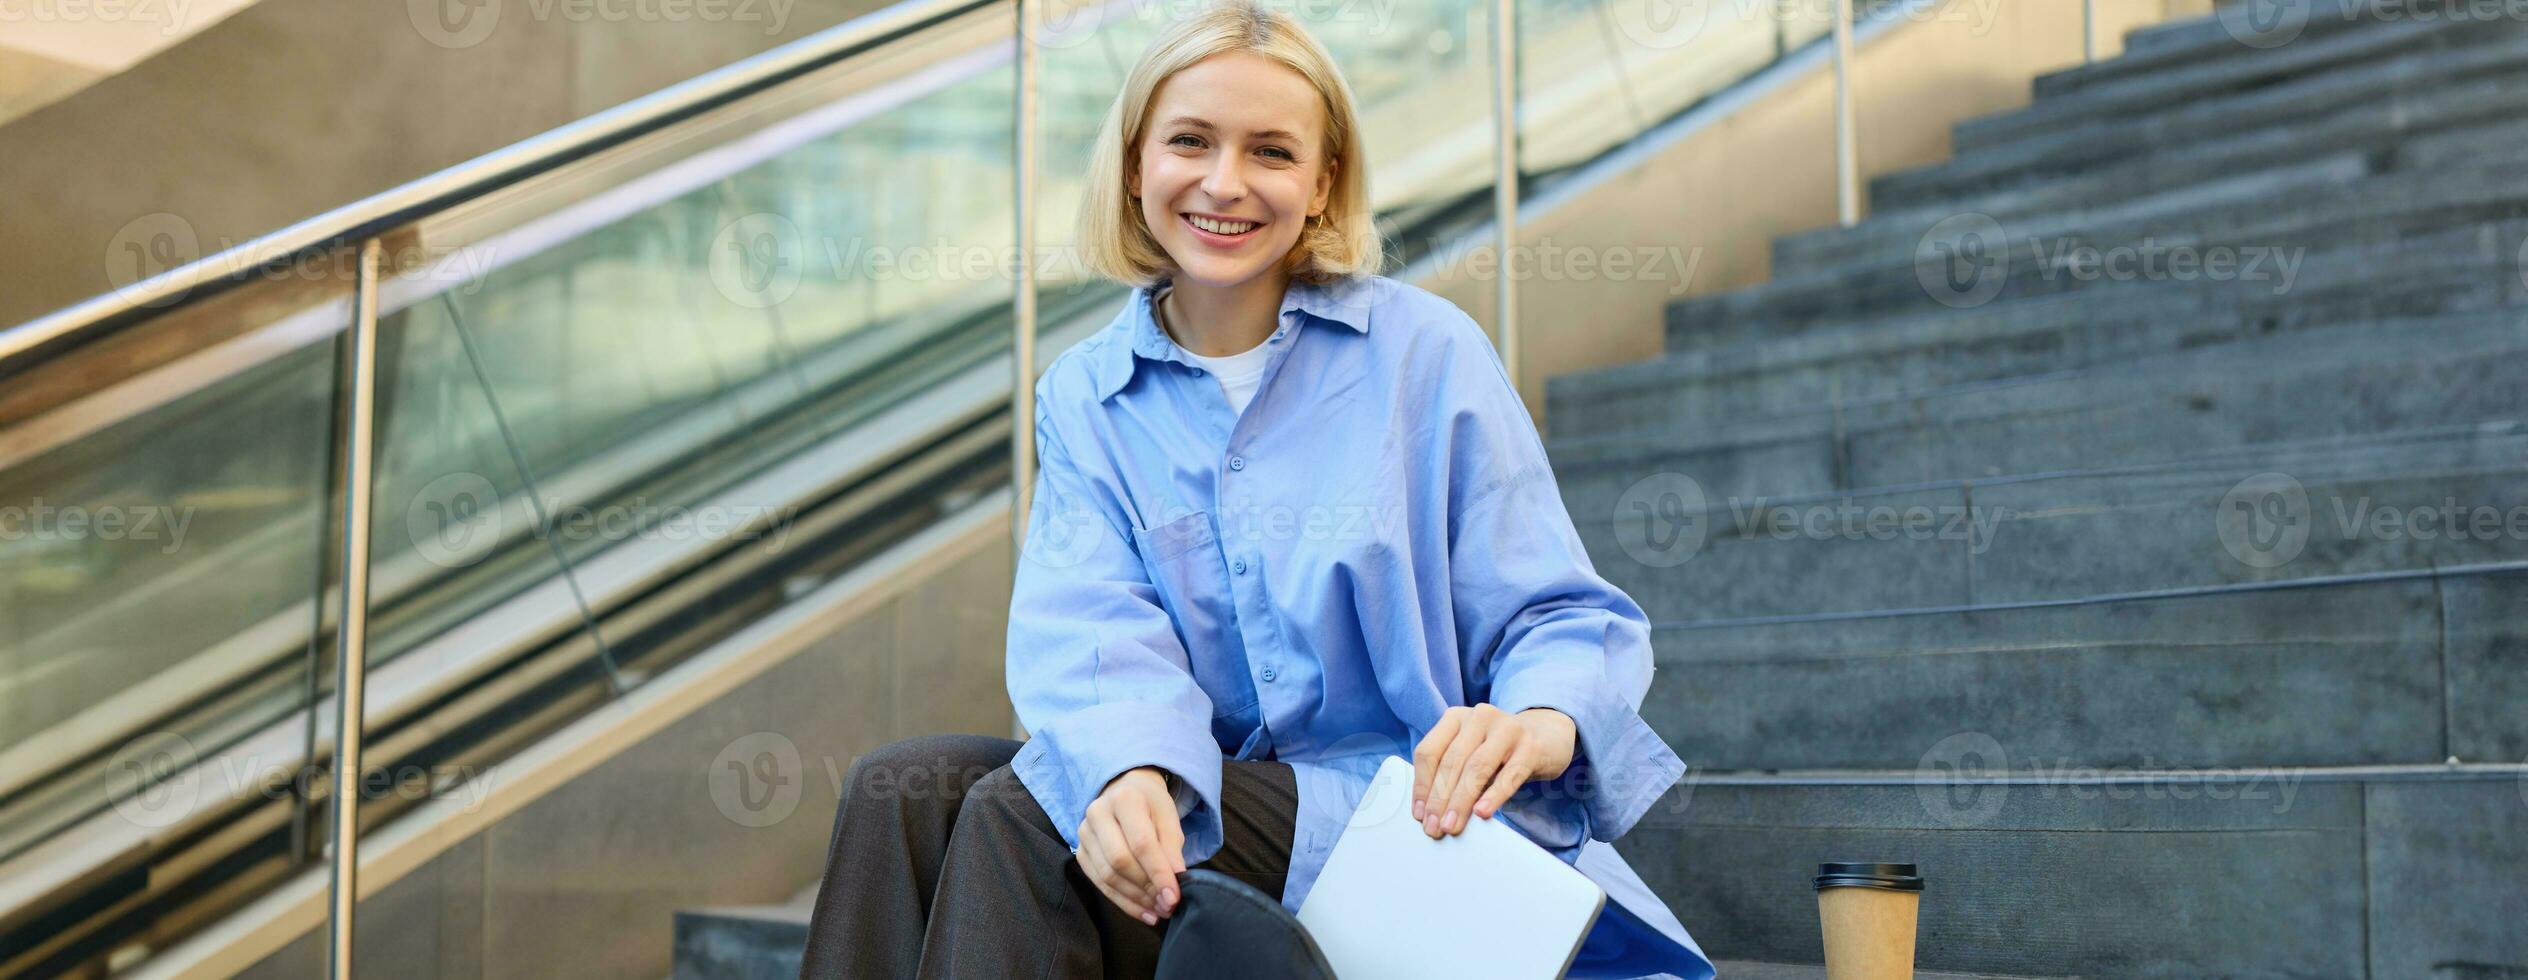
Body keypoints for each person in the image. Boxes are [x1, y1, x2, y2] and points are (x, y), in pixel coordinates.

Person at [797, 3, 1713, 977]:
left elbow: (1558, 612)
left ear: (1321, 183)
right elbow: (1091, 626)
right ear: (1132, 164)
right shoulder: (1085, 394)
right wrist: (1128, 762)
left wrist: (1535, 718)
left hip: (1409, 817)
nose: (1223, 182)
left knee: (1022, 812)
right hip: (1217, 803)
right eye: (1189, 141)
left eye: (1270, 151)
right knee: (900, 784)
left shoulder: (1422, 353)